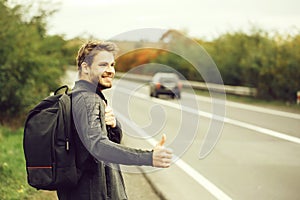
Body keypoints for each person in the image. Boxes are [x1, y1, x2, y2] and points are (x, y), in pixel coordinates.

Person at [56, 41, 173, 200]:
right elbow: (98, 146)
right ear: (85, 68)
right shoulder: (87, 100)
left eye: (112, 65)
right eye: (103, 65)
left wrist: (113, 125)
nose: (110, 71)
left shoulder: (86, 96)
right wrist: (149, 157)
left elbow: (109, 142)